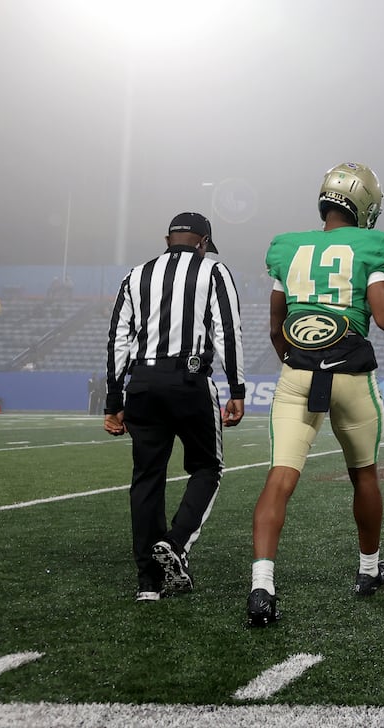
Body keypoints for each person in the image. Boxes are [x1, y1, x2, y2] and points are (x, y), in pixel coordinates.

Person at [247, 162, 384, 627]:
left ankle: (262, 586)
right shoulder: (374, 245)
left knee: (280, 477)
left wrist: (297, 359)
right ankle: (368, 571)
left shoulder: (289, 248)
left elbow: (276, 326)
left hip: (299, 371)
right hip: (351, 375)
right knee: (365, 476)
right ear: (365, 206)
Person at [104, 212, 246, 603]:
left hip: (143, 383)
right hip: (189, 380)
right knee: (207, 467)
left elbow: (118, 336)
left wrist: (113, 400)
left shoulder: (136, 274)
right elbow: (227, 331)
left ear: (167, 239)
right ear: (203, 242)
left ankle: (148, 583)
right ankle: (177, 543)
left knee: (147, 477)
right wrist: (237, 388)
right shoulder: (213, 271)